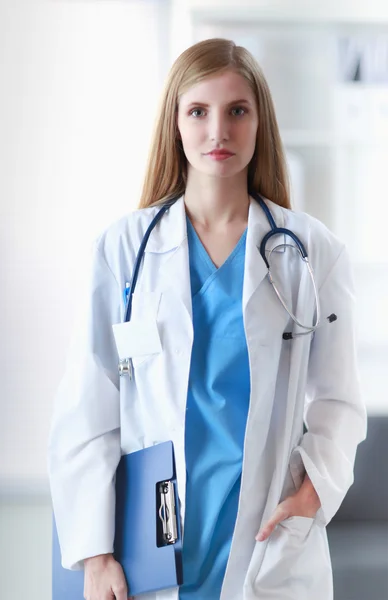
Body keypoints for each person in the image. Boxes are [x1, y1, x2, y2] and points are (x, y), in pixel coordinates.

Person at [48, 38, 367, 600]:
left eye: (237, 111)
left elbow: (340, 400)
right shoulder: (124, 250)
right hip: (152, 544)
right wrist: (96, 557)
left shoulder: (312, 253)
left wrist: (311, 493)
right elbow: (87, 409)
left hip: (268, 540)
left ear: (259, 122)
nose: (218, 131)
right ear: (175, 122)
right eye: (199, 111)